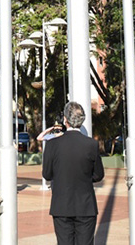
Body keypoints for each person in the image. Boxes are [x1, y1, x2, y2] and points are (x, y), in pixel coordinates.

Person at [42, 102, 104, 245]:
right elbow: (99, 175)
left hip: (61, 205)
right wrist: (85, 178)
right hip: (86, 205)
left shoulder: (52, 144)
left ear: (65, 120)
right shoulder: (91, 144)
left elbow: (47, 174)